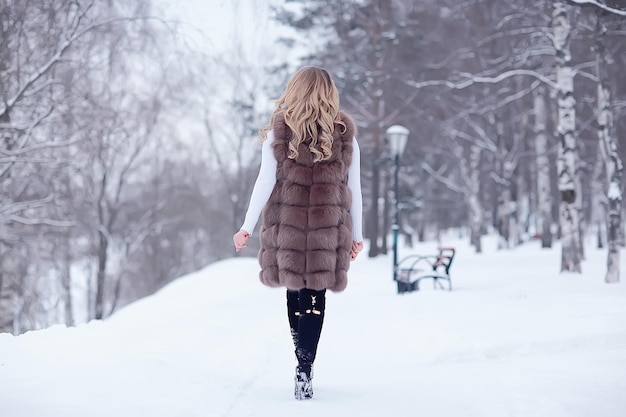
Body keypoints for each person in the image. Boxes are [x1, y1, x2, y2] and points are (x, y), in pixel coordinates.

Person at [232, 66, 364, 400]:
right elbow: (355, 190)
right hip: (326, 230)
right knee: (315, 298)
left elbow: (264, 182)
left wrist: (247, 227)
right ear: (328, 93)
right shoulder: (345, 136)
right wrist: (357, 234)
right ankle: (306, 366)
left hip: (288, 227)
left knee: (295, 292)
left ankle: (301, 361)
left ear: (295, 90)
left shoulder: (279, 135)